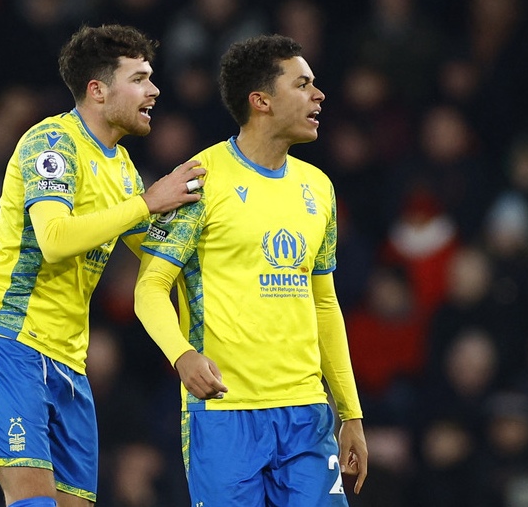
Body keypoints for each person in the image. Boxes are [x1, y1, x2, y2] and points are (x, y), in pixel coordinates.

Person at [0, 23, 207, 507]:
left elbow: (157, 252)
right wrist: (146, 203)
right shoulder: (51, 143)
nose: (154, 90)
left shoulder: (121, 168)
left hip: (70, 363)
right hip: (10, 343)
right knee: (33, 501)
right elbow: (54, 239)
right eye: (139, 79)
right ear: (98, 90)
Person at [134, 34, 368, 506]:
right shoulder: (201, 179)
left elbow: (324, 302)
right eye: (302, 85)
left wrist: (351, 413)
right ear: (261, 101)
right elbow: (151, 287)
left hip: (306, 414)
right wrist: (182, 356)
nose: (318, 95)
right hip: (225, 412)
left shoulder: (318, 188)